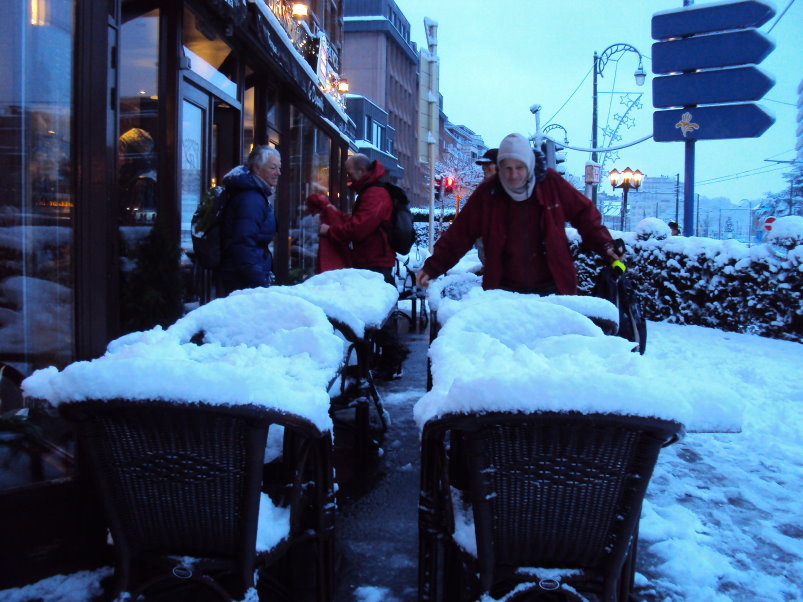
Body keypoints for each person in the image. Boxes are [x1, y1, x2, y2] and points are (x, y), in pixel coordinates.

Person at [416, 133, 621, 295]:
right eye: (507, 168)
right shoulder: (488, 193)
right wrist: (433, 267)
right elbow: (460, 234)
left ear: (529, 165)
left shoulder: (550, 183)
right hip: (503, 288)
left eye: (519, 167)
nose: (513, 175)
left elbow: (585, 215)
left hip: (553, 285)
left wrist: (606, 246)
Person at [307, 154, 408, 379]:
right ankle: (383, 360)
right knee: (378, 312)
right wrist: (334, 212)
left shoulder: (374, 194)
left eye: (350, 174)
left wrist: (329, 230)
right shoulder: (372, 192)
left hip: (375, 261)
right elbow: (359, 222)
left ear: (362, 171)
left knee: (379, 313)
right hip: (373, 259)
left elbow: (359, 228)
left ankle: (392, 362)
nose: (347, 179)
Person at [219, 145, 281, 295]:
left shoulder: (254, 195)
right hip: (243, 280)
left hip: (242, 275)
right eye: (273, 168)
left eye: (279, 168)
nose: (278, 173)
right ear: (256, 169)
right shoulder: (251, 199)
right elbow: (244, 243)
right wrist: (260, 283)